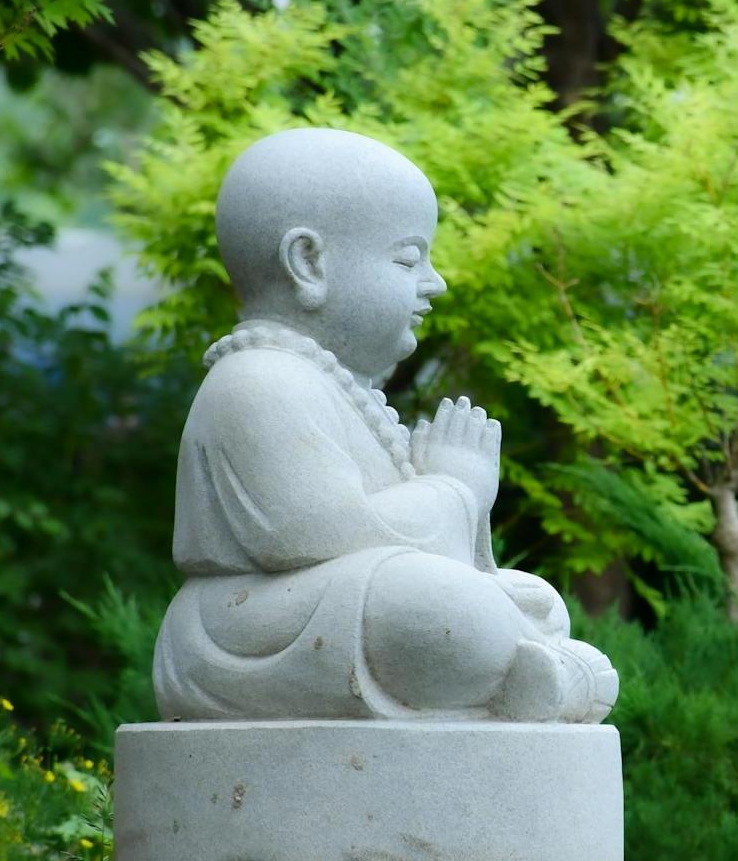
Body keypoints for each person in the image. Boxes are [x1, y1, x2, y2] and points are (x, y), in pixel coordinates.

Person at [152, 127, 617, 724]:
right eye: (407, 258)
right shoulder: (258, 381)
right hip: (246, 630)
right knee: (419, 599)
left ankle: (521, 665)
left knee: (534, 598)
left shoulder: (332, 385)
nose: (434, 282)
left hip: (324, 608)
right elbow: (317, 534)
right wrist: (454, 489)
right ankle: (522, 669)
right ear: (308, 263)